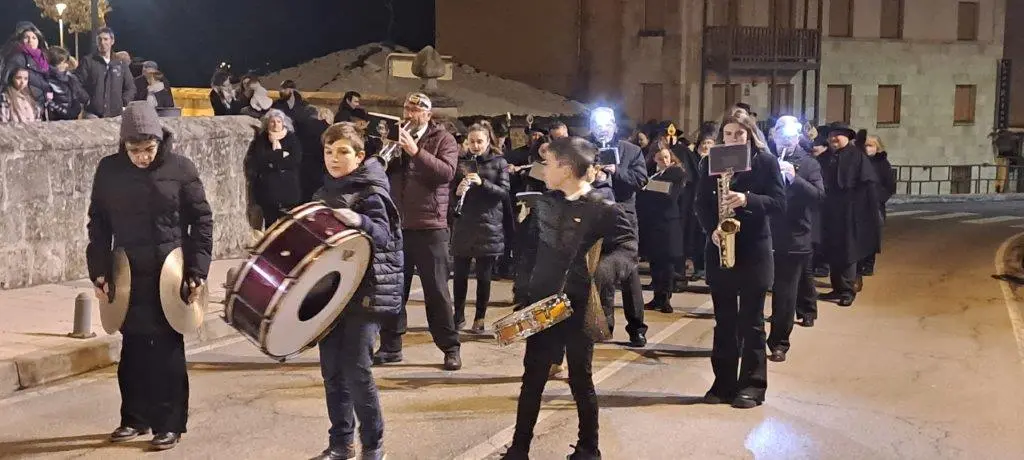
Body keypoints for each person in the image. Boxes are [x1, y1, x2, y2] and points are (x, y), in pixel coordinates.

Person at [86, 101, 213, 450]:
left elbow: (201, 221)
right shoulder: (109, 171)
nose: (142, 157)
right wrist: (99, 271)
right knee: (133, 350)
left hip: (170, 272)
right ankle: (134, 418)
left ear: (160, 141)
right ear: (123, 145)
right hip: (127, 272)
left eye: (148, 149)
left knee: (169, 351)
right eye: (134, 150)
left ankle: (169, 423)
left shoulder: (181, 169)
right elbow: (98, 223)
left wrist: (197, 270)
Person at [502, 137, 636, 460]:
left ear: (565, 167)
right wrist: (524, 292)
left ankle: (589, 448)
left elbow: (628, 249)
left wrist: (601, 273)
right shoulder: (545, 204)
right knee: (532, 376)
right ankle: (519, 449)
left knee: (580, 377)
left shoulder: (605, 209)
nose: (543, 169)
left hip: (581, 307)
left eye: (548, 163)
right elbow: (528, 251)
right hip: (543, 306)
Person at [309, 124, 402, 460]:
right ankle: (341, 443)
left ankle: (373, 445)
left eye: (343, 151)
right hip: (333, 295)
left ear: (360, 155)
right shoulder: (324, 192)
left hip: (369, 292)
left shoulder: (372, 192)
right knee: (332, 371)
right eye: (329, 152)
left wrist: (359, 221)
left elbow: (385, 236)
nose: (334, 158)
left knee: (356, 369)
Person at [694, 113, 785, 409]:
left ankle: (753, 386)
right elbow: (701, 203)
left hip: (754, 250)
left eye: (740, 134)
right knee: (724, 322)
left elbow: (779, 203)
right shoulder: (710, 161)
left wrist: (747, 199)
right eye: (729, 134)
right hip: (721, 246)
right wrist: (712, 231)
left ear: (750, 135)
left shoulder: (766, 162)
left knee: (752, 322)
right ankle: (723, 384)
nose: (734, 139)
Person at [376, 92, 462, 370]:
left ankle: (450, 347)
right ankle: (390, 346)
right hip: (398, 226)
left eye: (416, 110)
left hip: (430, 227)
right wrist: (385, 152)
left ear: (428, 114)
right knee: (393, 290)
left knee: (436, 290)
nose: (410, 114)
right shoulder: (395, 137)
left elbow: (447, 173)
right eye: (406, 109)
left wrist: (415, 151)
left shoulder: (443, 139)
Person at [588, 107, 649, 347]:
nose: (602, 129)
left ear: (614, 126)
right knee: (600, 272)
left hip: (623, 220)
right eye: (597, 124)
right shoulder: (585, 149)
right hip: (595, 218)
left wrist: (616, 172)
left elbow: (640, 180)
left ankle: (637, 328)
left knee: (629, 275)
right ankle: (604, 325)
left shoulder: (631, 151)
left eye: (606, 124)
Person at [767, 116, 825, 362]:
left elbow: (819, 197)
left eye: (791, 135)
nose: (786, 140)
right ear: (774, 136)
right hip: (764, 234)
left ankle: (779, 342)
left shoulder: (809, 164)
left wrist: (795, 178)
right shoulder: (764, 159)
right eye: (781, 134)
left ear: (797, 137)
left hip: (793, 237)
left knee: (785, 294)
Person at [451, 123, 509, 332]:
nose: (475, 146)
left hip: (489, 225)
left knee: (484, 276)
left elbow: (504, 193)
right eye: (471, 141)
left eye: (479, 141)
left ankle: (480, 317)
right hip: (464, 223)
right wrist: (457, 191)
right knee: (459, 275)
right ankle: (457, 315)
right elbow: (449, 194)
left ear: (487, 142)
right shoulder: (460, 162)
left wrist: (482, 183)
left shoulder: (499, 162)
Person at [816, 124, 881, 307]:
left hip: (851, 212)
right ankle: (837, 288)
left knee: (848, 252)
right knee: (833, 250)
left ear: (846, 137)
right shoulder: (825, 157)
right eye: (831, 135)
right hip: (830, 212)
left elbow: (867, 187)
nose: (833, 138)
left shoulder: (857, 157)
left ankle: (847, 290)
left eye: (838, 135)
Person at [637, 145, 688, 313]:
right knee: (655, 262)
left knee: (667, 263)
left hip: (668, 223)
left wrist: (648, 187)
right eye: (660, 158)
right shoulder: (656, 175)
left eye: (667, 157)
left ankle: (666, 298)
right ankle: (657, 296)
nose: (665, 161)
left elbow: (670, 193)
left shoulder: (677, 173)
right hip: (653, 223)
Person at [244, 109, 303, 228]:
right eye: (272, 122)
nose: (276, 125)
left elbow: (295, 159)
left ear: (283, 123)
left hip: (288, 187)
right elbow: (261, 159)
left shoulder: (291, 138)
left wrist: (273, 159)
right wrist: (282, 154)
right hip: (269, 188)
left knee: (288, 224)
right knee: (270, 222)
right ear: (267, 124)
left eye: (279, 121)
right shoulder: (262, 139)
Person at [76, 27, 135, 118]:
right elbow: (76, 83)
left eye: (105, 39)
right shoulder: (88, 61)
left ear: (112, 41)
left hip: (116, 115)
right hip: (92, 114)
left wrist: (124, 102)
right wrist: (86, 100)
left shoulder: (120, 63)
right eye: (99, 39)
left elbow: (130, 87)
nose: (102, 42)